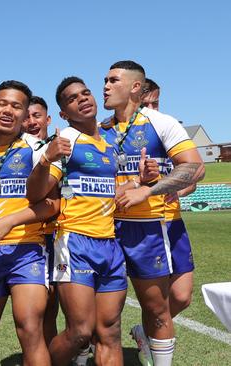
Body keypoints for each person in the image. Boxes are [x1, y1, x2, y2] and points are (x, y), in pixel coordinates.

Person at [101, 61, 205, 366]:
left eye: (113, 80)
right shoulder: (100, 130)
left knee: (175, 300)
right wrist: (135, 181)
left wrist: (149, 189)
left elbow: (195, 168)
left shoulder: (160, 122)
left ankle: (146, 338)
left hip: (158, 225)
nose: (105, 86)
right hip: (112, 228)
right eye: (104, 80)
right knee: (115, 310)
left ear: (135, 87)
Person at [27, 77, 128, 366]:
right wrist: (47, 158)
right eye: (73, 98)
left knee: (110, 332)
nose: (83, 99)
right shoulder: (66, 139)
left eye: (85, 93)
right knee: (80, 333)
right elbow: (34, 194)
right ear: (63, 114)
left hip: (109, 244)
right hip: (75, 242)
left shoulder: (111, 142)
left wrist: (140, 182)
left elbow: (112, 189)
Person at [0, 80, 58, 365]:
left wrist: (10, 221)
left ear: (26, 116)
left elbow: (55, 204)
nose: (8, 110)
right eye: (2, 103)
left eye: (17, 106)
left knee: (30, 328)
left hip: (26, 251)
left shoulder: (40, 149)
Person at [142, 78, 196, 320]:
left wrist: (179, 190)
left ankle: (144, 333)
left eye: (157, 103)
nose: (153, 110)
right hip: (139, 225)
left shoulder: (168, 129)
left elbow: (192, 178)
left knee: (182, 296)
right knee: (150, 301)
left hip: (172, 221)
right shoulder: (118, 134)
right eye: (147, 104)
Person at [25, 95, 60, 346]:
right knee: (40, 311)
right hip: (30, 237)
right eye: (26, 117)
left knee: (56, 306)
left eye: (36, 116)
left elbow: (52, 200)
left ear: (48, 119)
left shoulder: (58, 148)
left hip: (57, 235)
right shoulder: (18, 149)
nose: (30, 122)